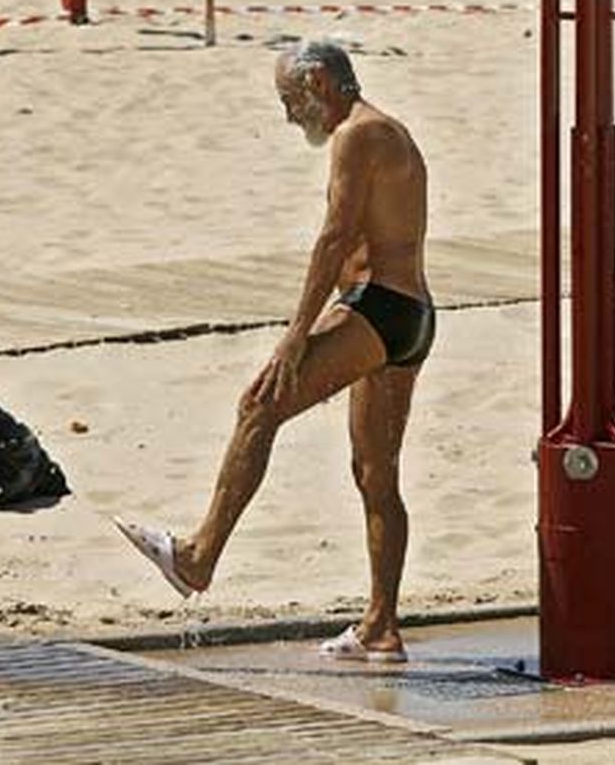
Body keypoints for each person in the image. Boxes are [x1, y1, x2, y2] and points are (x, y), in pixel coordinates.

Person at [115, 37, 434, 664]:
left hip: (378, 308)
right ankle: (380, 629)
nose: (289, 115)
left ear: (318, 82)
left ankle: (198, 558)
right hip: (412, 317)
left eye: (290, 99)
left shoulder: (357, 134)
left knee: (259, 404)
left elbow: (335, 235)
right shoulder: (384, 132)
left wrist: (296, 334)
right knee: (376, 475)